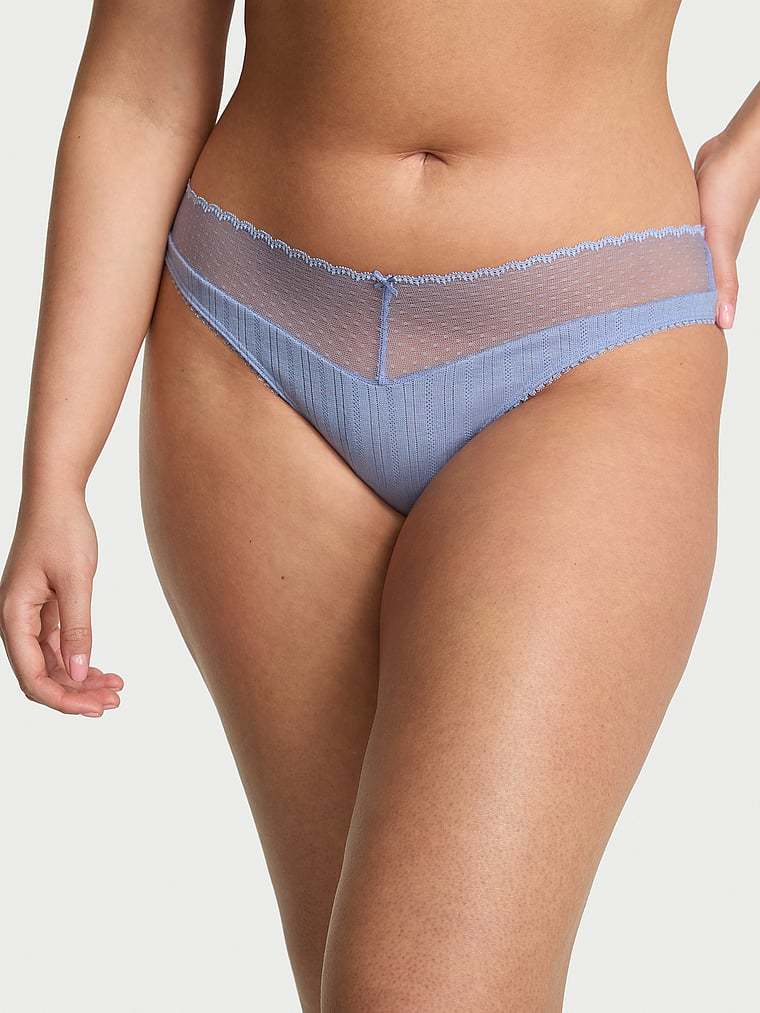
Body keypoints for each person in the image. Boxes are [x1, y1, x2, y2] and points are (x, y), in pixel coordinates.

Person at [1, 3, 757, 1010]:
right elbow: (140, 87)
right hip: (251, 344)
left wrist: (747, 153)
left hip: (589, 343)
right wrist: (56, 474)